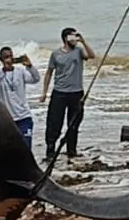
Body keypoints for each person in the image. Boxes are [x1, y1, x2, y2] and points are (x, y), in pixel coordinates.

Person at [41, 26, 96, 163]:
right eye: (73, 37)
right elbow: (49, 73)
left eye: (76, 36)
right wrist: (44, 92)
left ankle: (72, 151)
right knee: (54, 123)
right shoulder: (56, 54)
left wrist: (83, 41)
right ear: (66, 38)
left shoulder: (79, 51)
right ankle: (50, 150)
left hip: (76, 93)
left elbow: (92, 56)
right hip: (59, 93)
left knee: (74, 124)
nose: (75, 39)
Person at [0, 46, 40, 149]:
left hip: (23, 116)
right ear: (1, 59)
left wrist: (30, 66)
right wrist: (4, 70)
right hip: (8, 118)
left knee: (26, 146)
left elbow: (36, 79)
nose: (9, 59)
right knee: (9, 148)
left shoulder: (20, 72)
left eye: (11, 56)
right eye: (6, 57)